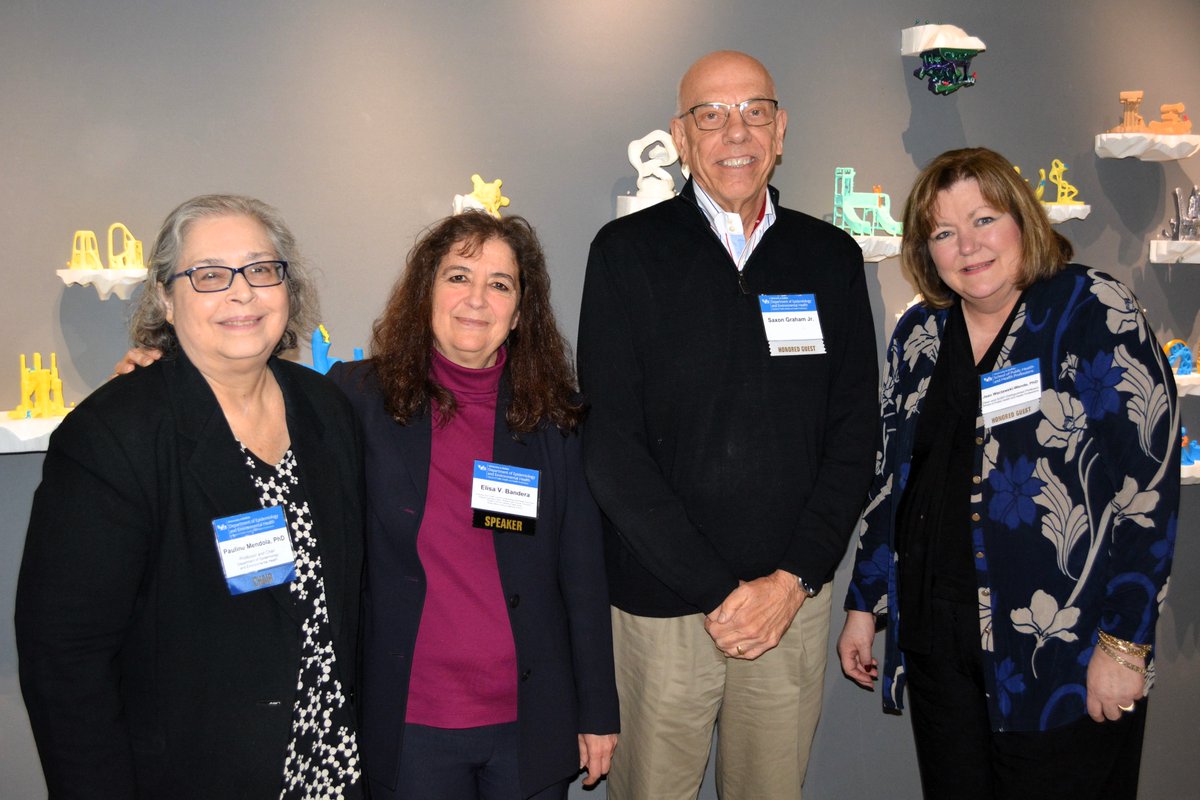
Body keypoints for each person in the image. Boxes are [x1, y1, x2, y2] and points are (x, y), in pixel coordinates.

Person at [577, 50, 878, 798]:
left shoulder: (830, 256)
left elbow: (854, 435)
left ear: (781, 131)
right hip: (663, 606)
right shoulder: (625, 254)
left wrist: (791, 581)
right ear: (680, 138)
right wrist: (717, 590)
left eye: (754, 111)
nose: (733, 131)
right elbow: (610, 448)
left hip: (789, 606)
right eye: (710, 115)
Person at [837, 147, 1179, 800]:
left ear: (1022, 218)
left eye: (984, 219)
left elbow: (1149, 487)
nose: (967, 245)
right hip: (940, 646)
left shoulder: (1091, 311)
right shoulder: (919, 335)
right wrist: (865, 603)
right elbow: (895, 483)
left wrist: (1125, 644)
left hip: (1061, 648)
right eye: (943, 232)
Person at [16, 195, 366, 799]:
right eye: (208, 275)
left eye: (261, 269)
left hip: (333, 767)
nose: (241, 293)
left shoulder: (326, 408)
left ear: (288, 286)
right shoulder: (114, 434)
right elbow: (66, 662)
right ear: (165, 299)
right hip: (195, 773)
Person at [328, 211, 619, 800]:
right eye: (458, 277)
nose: (476, 300)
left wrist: (597, 709)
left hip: (526, 719)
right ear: (426, 292)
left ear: (519, 311)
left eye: (500, 284)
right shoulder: (355, 398)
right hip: (411, 720)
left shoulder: (556, 418)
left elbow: (582, 574)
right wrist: (165, 375)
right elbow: (250, 405)